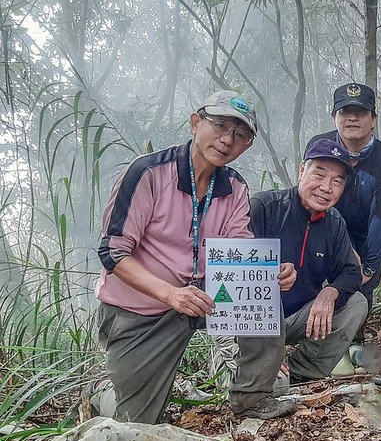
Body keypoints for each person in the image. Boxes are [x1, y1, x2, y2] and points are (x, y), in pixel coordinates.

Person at [93, 91, 296, 423]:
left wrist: (269, 271)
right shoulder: (149, 173)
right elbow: (113, 253)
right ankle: (101, 388)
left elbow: (238, 252)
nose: (228, 139)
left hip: (203, 297)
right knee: (136, 423)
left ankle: (251, 397)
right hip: (141, 309)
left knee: (262, 295)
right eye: (219, 125)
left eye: (241, 134)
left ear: (247, 146)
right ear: (195, 122)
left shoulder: (234, 186)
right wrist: (171, 293)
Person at [247, 139, 368, 382]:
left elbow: (351, 272)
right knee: (265, 386)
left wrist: (329, 293)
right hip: (252, 322)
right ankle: (266, 370)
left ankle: (302, 372)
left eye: (337, 181)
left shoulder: (333, 223)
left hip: (298, 318)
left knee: (356, 303)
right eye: (319, 174)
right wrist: (264, 344)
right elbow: (232, 277)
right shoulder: (265, 207)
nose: (326, 188)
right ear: (302, 170)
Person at [306, 83, 381, 312]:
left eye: (360, 113)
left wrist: (368, 267)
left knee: (356, 300)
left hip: (363, 237)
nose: (352, 119)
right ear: (334, 118)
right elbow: (307, 195)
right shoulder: (319, 146)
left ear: (373, 119)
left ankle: (355, 341)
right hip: (321, 229)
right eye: (345, 112)